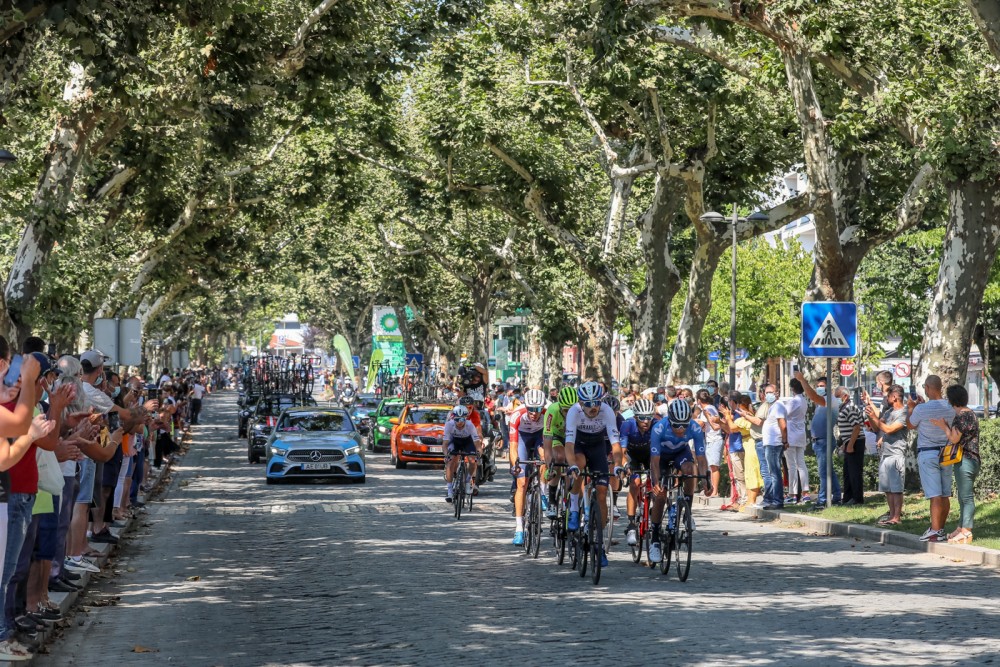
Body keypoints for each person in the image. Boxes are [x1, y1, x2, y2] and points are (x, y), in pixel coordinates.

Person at [563, 382, 622, 568]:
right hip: (579, 445)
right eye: (587, 404)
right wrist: (571, 465)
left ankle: (599, 541)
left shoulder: (607, 411)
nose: (593, 407)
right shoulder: (574, 412)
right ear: (580, 403)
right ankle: (574, 509)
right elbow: (569, 445)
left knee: (602, 492)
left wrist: (618, 465)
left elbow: (615, 444)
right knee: (578, 466)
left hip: (597, 447)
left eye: (596, 402)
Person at [647, 399, 706, 563]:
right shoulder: (659, 428)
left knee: (690, 470)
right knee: (660, 496)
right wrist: (656, 482)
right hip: (662, 458)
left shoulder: (694, 427)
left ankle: (687, 510)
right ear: (669, 420)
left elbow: (701, 458)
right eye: (676, 425)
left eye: (684, 425)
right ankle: (656, 539)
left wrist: (705, 479)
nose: (681, 429)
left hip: (681, 453)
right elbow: (654, 461)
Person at [907, 375, 956, 542]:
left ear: (927, 387)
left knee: (934, 495)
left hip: (928, 453)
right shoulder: (950, 407)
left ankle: (935, 531)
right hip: (947, 453)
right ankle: (940, 529)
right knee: (944, 494)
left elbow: (910, 424)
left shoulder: (921, 409)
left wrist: (912, 408)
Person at [931, 385, 979, 544]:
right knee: (962, 496)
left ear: (953, 400)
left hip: (965, 459)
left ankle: (966, 532)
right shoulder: (971, 414)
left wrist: (943, 426)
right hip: (970, 459)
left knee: (966, 497)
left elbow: (954, 439)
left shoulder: (962, 416)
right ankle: (961, 527)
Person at [795, 371, 841, 508]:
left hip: (825, 441)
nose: (820, 388)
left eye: (822, 386)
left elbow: (813, 397)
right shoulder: (822, 402)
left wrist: (802, 380)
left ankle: (822, 500)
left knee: (823, 472)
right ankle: (837, 496)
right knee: (828, 470)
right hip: (819, 441)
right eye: (818, 385)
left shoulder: (830, 400)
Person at [865, 384, 907, 525]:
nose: (886, 398)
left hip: (896, 454)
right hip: (885, 453)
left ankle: (897, 517)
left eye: (888, 396)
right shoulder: (888, 412)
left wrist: (875, 419)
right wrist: (871, 416)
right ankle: (891, 516)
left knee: (896, 488)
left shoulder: (903, 413)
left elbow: (889, 429)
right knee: (888, 488)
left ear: (895, 397)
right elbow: (877, 426)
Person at [508, 389, 546, 546]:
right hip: (522, 438)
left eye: (537, 410)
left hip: (540, 435)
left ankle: (543, 492)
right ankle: (518, 528)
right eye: (531, 409)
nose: (534, 413)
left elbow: (548, 442)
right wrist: (515, 464)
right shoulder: (517, 414)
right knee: (522, 483)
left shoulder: (547, 413)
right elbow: (513, 446)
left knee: (545, 458)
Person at [621, 399, 656, 546]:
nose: (646, 421)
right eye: (642, 417)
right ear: (635, 417)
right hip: (632, 456)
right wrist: (625, 465)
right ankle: (631, 525)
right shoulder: (627, 425)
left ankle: (655, 510)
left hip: (650, 455)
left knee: (657, 483)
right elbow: (621, 452)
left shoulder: (656, 425)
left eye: (649, 417)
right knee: (635, 484)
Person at [541, 386, 576, 519]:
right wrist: (549, 464)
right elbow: (547, 441)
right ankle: (551, 501)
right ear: (560, 406)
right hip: (555, 436)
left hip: (571, 436)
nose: (569, 414)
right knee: (559, 458)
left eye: (571, 410)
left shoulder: (579, 411)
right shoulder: (552, 410)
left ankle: (570, 497)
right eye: (566, 410)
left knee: (573, 461)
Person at [835, 385, 866, 506]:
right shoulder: (844, 407)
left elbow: (857, 427)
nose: (836, 399)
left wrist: (851, 444)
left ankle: (857, 498)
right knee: (847, 471)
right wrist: (845, 443)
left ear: (845, 396)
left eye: (837, 397)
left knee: (854, 471)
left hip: (855, 441)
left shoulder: (850, 407)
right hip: (850, 441)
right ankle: (848, 498)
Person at [443, 406, 481, 503]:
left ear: (466, 418)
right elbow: (445, 444)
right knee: (450, 462)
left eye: (462, 419)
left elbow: (476, 442)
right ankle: (450, 491)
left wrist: (479, 451)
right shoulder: (449, 425)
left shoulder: (470, 425)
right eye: (457, 419)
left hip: (467, 442)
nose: (459, 422)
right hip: (454, 442)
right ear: (453, 418)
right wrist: (446, 454)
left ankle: (468, 481)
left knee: (473, 461)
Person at [758, 384, 786, 510]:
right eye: (767, 392)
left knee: (775, 473)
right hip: (770, 443)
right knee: (772, 472)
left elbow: (783, 424)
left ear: (776, 393)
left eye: (771, 392)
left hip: (774, 443)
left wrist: (785, 440)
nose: (768, 394)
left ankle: (777, 500)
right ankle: (775, 499)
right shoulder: (772, 407)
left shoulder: (778, 406)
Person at [783, 379, 811, 504]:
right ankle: (805, 492)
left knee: (791, 466)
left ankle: (792, 494)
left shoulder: (793, 401)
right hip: (800, 434)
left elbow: (784, 413)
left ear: (792, 388)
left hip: (791, 435)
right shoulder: (804, 400)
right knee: (801, 464)